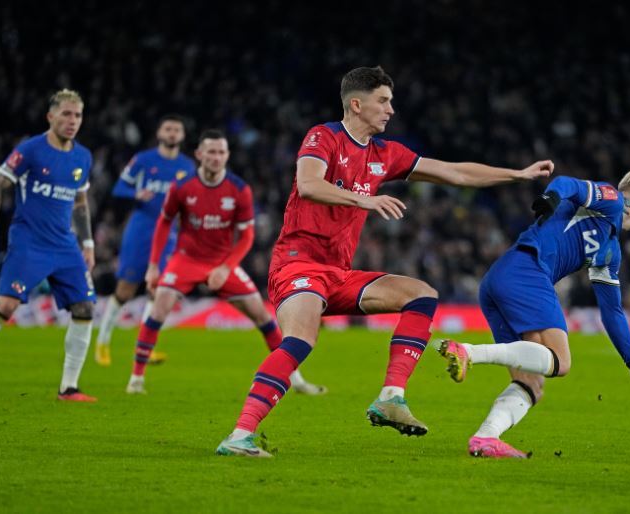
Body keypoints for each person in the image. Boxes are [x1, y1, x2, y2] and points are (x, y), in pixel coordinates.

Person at [216, 66, 553, 457]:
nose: (391, 109)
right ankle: (239, 435)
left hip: (339, 274)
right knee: (300, 341)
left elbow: (455, 173)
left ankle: (391, 396)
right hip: (298, 265)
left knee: (421, 295)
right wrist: (366, 199)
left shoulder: (385, 154)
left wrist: (517, 174)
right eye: (383, 100)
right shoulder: (323, 136)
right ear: (357, 105)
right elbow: (309, 185)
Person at [435, 169, 630, 458]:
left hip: (501, 279)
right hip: (528, 271)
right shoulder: (611, 200)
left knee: (531, 383)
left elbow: (612, 312)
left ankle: (486, 438)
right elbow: (569, 184)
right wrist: (551, 197)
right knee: (561, 362)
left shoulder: (609, 252)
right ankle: (469, 352)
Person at [126, 130, 326, 396]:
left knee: (262, 317)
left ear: (227, 155)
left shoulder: (239, 189)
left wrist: (225, 268)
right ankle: (136, 379)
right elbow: (164, 224)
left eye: (221, 152)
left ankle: (297, 380)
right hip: (185, 260)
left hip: (222, 262)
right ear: (199, 155)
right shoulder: (182, 186)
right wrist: (154, 266)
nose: (216, 157)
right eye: (210, 151)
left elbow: (246, 236)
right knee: (158, 310)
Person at [0, 89, 98, 402]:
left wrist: (88, 243)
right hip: (30, 242)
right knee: (6, 306)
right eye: (66, 114)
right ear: (50, 116)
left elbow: (80, 202)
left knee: (84, 308)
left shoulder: (83, 156)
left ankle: (69, 388)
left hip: (65, 244)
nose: (72, 121)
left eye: (77, 115)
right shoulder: (31, 150)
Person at [95, 115, 195, 367]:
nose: (172, 133)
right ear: (159, 132)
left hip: (169, 234)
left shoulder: (188, 167)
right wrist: (135, 193)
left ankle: (145, 348)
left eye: (176, 129)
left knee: (158, 290)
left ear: (182, 136)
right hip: (140, 230)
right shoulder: (143, 160)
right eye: (168, 128)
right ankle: (103, 342)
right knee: (125, 289)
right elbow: (119, 188)